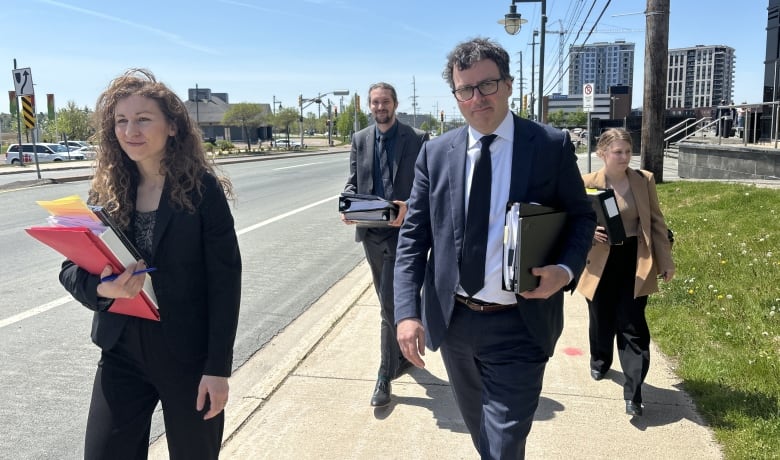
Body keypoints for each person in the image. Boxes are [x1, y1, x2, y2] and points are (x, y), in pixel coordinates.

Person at [393, 38, 596, 459]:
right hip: (455, 325)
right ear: (455, 96)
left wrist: (565, 269)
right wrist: (407, 313)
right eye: (465, 90)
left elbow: (582, 217)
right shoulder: (435, 154)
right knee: (484, 441)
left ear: (507, 84)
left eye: (486, 85)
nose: (476, 98)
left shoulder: (549, 146)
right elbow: (413, 239)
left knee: (503, 446)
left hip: (520, 323)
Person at [59, 69, 242, 460]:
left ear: (172, 127)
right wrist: (103, 290)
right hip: (120, 350)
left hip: (187, 357)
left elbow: (225, 283)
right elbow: (70, 268)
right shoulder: (103, 190)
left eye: (143, 119)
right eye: (122, 121)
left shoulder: (202, 190)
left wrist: (218, 369)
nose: (131, 131)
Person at [577, 128, 675, 417]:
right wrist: (588, 232)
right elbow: (572, 221)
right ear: (602, 153)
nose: (623, 157)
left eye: (627, 152)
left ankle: (634, 392)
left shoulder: (643, 181)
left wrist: (665, 261)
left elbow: (657, 222)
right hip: (599, 261)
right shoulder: (586, 183)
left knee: (633, 326)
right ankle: (600, 359)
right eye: (617, 152)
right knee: (601, 317)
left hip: (635, 260)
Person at [342, 82, 429, 407]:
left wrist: (408, 205)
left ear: (395, 104)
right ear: (370, 106)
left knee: (388, 305)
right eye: (375, 103)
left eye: (385, 102)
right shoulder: (360, 139)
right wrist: (348, 204)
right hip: (371, 233)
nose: (380, 107)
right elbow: (354, 180)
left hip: (403, 234)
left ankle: (384, 375)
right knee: (386, 299)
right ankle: (401, 358)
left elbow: (426, 187)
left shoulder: (417, 139)